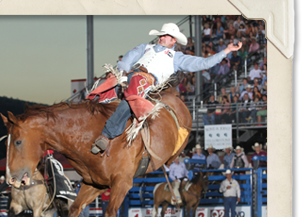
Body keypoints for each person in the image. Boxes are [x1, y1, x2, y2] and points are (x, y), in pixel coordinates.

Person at [90, 22, 243, 154]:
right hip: (129, 76)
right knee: (102, 87)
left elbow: (203, 63)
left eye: (165, 35)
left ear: (173, 40)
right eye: (161, 35)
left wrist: (227, 51)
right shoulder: (145, 47)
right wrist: (122, 74)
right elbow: (127, 59)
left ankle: (106, 134)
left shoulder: (177, 58)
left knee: (132, 96)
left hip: (146, 82)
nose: (161, 37)